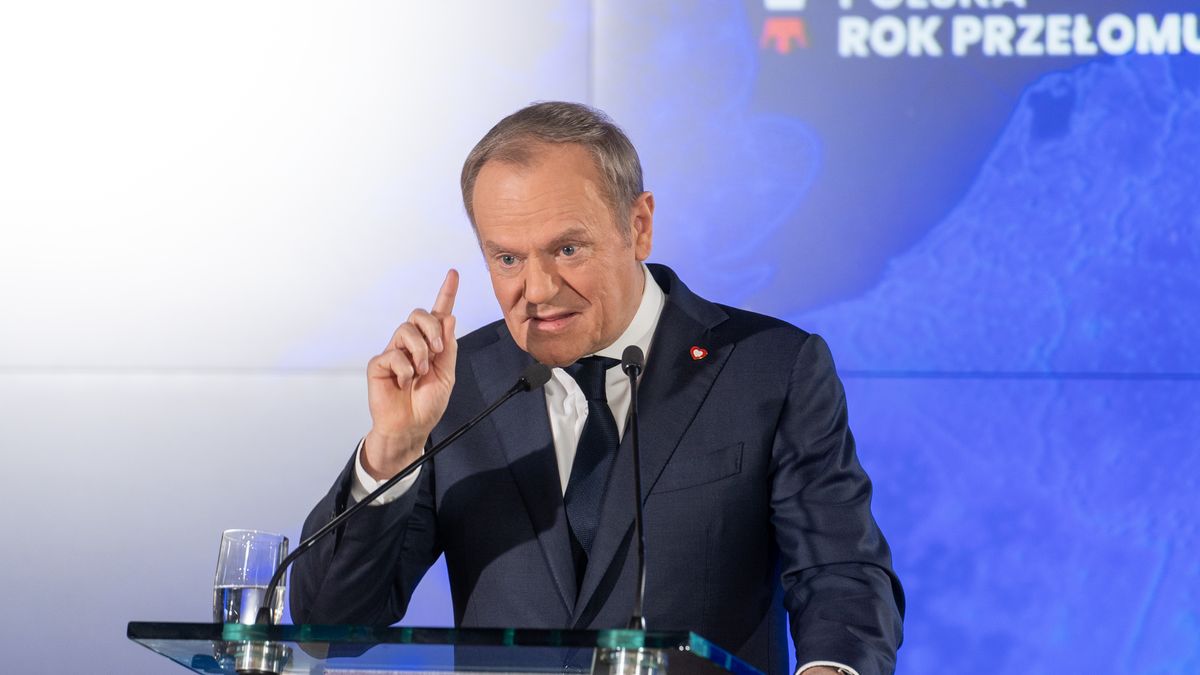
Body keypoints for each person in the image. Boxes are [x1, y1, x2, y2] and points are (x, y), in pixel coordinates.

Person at [290, 102, 904, 675]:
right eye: (507, 259)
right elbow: (328, 625)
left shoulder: (768, 366)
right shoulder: (456, 383)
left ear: (639, 226)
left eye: (567, 249)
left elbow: (842, 575)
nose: (537, 289)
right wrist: (394, 448)